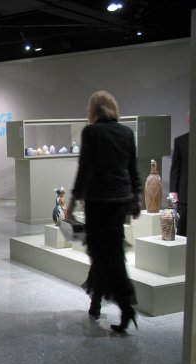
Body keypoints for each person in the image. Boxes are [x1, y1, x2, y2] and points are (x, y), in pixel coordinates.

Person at [66, 91, 141, 333]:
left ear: (93, 110)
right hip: (120, 202)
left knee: (103, 255)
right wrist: (137, 198)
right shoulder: (126, 132)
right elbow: (133, 168)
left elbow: (85, 168)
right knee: (110, 251)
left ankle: (124, 305)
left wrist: (73, 199)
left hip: (99, 201)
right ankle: (98, 302)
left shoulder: (92, 132)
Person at [169, 118, 189, 236]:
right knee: (182, 230)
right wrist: (173, 195)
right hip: (184, 196)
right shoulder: (180, 141)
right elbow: (175, 170)